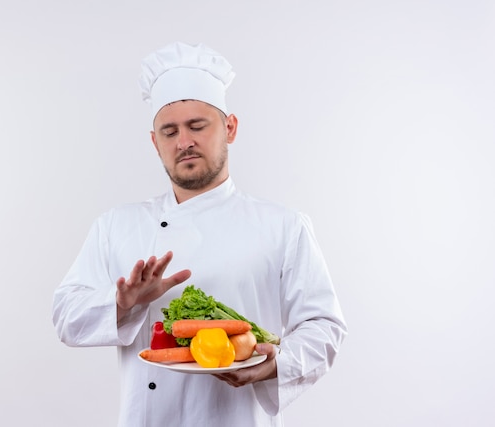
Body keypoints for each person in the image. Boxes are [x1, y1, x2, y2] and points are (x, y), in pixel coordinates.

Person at [52, 41, 347, 427]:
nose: (184, 141)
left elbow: (324, 326)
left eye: (197, 126)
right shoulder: (116, 225)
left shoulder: (283, 226)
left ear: (230, 128)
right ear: (155, 143)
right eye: (169, 131)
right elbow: (65, 316)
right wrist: (121, 303)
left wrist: (276, 364)